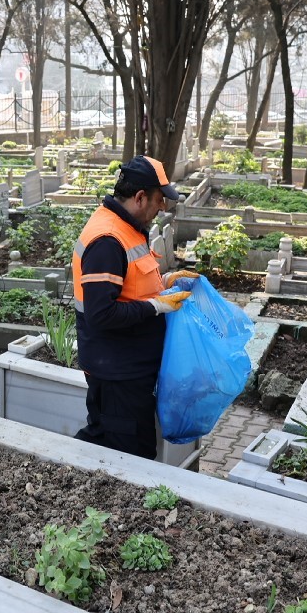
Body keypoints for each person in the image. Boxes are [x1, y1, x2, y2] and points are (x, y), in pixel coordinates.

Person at [71, 155, 193, 459]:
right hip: (117, 373)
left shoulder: (127, 228)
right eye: (158, 201)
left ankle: (71, 472)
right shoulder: (107, 241)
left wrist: (166, 281)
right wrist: (156, 306)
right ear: (139, 198)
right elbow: (102, 315)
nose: (161, 209)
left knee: (107, 440)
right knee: (130, 455)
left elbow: (130, 285)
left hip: (126, 368)